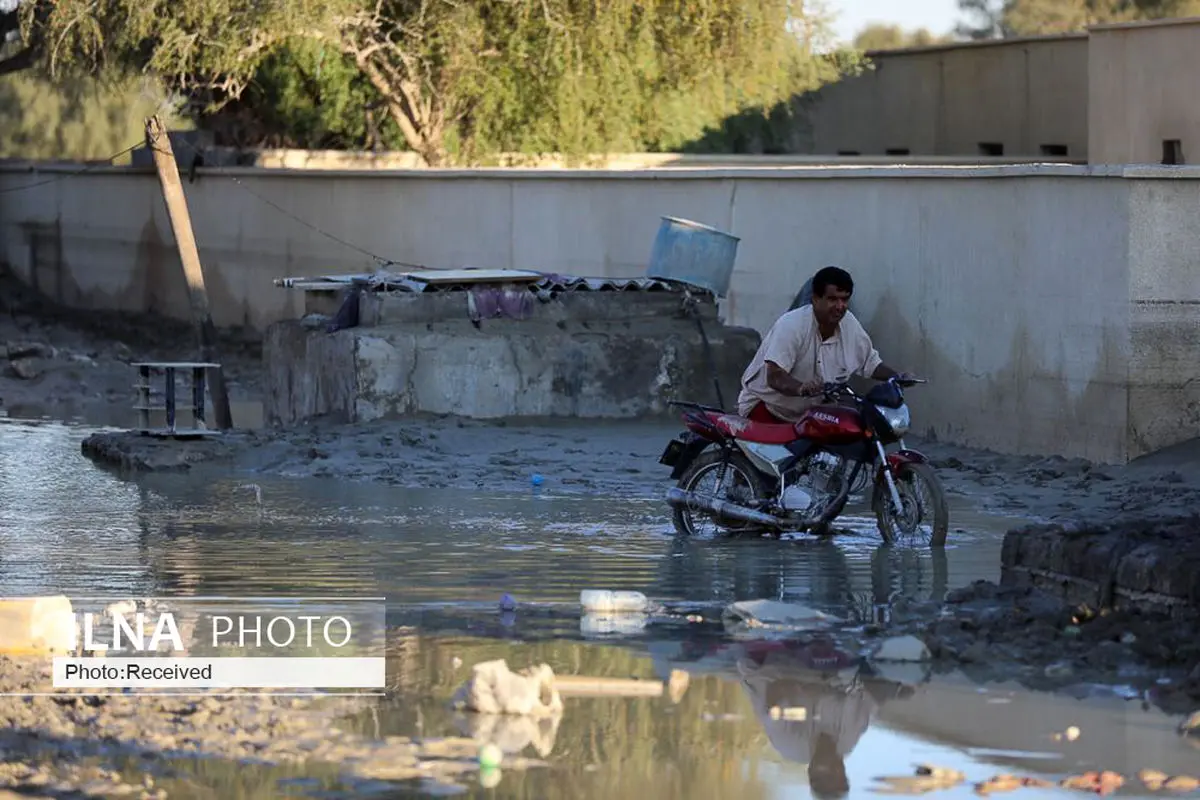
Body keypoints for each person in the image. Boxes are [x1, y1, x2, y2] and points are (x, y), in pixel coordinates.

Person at [737, 266, 914, 424]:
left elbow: (870, 363)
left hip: (809, 414)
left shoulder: (849, 324)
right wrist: (801, 388)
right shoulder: (792, 325)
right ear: (815, 299)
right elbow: (775, 376)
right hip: (767, 408)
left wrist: (897, 377)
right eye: (832, 299)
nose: (840, 306)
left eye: (844, 300)